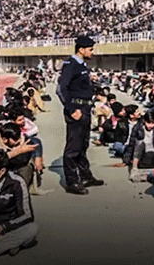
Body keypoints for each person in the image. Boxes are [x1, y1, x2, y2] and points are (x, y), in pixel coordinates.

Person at [56, 35, 104, 195]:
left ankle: (85, 175)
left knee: (83, 145)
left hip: (85, 108)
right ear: (81, 49)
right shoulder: (71, 65)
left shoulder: (81, 65)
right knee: (73, 148)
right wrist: (71, 110)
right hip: (76, 109)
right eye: (90, 49)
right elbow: (62, 89)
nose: (92, 52)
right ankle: (72, 181)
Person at [127, 111, 154, 182]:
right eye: (148, 123)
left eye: (153, 123)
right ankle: (134, 168)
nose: (151, 125)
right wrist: (127, 158)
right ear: (144, 121)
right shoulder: (137, 128)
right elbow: (132, 144)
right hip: (142, 156)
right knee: (139, 143)